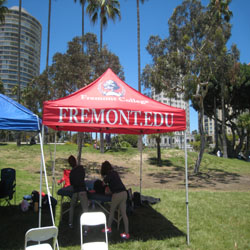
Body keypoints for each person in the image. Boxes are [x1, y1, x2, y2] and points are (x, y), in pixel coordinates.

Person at [101, 160, 130, 240]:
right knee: (124, 214)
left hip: (117, 194)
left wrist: (105, 181)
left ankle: (108, 228)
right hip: (124, 193)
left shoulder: (108, 176)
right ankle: (127, 233)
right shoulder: (115, 173)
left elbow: (103, 184)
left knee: (112, 212)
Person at [68, 155, 88, 229]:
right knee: (85, 209)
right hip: (82, 191)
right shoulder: (81, 168)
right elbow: (83, 177)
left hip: (75, 191)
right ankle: (86, 227)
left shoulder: (71, 173)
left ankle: (70, 223)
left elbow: (71, 183)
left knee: (72, 207)